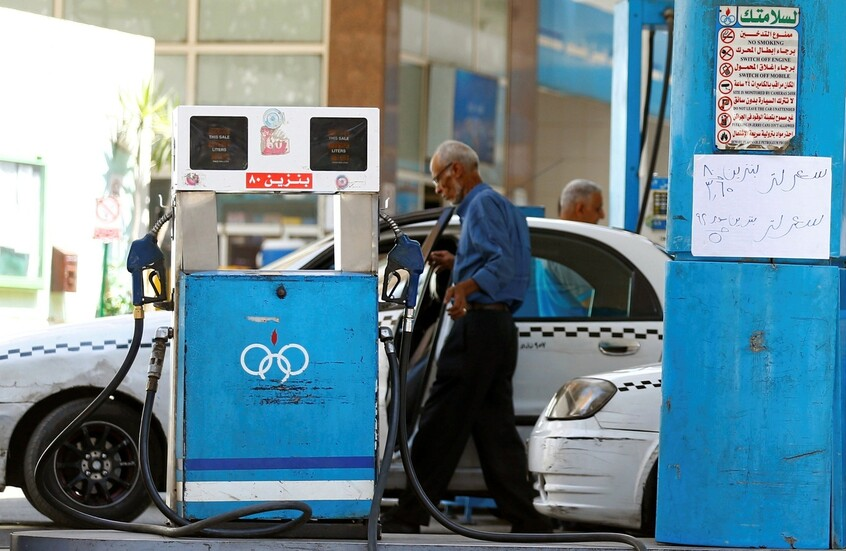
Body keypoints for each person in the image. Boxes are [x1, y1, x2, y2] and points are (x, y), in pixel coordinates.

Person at [381, 140, 555, 534]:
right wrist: (457, 262)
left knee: (439, 422)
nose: (438, 188)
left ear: (456, 170)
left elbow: (500, 263)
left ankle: (409, 512)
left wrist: (463, 288)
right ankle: (526, 518)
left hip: (477, 330)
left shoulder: (480, 205)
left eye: (438, 179)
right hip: (497, 329)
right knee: (495, 431)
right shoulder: (501, 206)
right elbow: (498, 258)